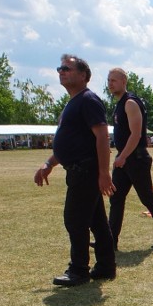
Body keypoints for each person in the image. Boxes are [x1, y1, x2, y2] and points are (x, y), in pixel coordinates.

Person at [34, 54, 115, 286]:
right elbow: (70, 142)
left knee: (75, 220)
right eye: (60, 68)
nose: (61, 71)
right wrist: (49, 164)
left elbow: (102, 136)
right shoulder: (74, 102)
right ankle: (106, 267)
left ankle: (79, 270)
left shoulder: (88, 100)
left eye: (67, 69)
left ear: (83, 75)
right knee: (97, 221)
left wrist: (103, 172)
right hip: (80, 169)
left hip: (86, 170)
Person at [106, 68, 153, 250]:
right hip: (125, 158)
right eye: (109, 80)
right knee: (116, 199)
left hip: (136, 158)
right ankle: (111, 241)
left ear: (124, 82)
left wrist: (123, 156)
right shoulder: (119, 104)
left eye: (114, 80)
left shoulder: (130, 103)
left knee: (147, 199)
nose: (110, 83)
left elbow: (135, 135)